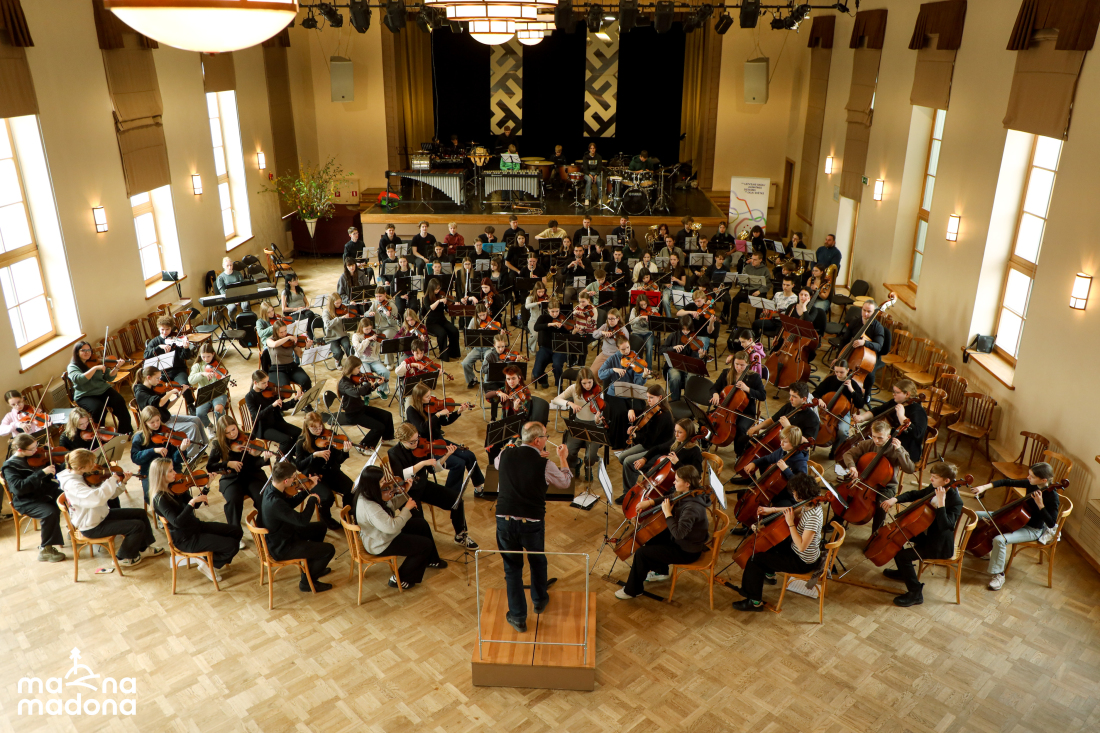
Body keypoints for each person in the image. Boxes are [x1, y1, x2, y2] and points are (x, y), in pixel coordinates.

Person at [494, 421, 573, 632]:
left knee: (512, 570)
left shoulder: (505, 454)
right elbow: (565, 482)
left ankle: (518, 617)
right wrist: (563, 458)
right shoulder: (545, 464)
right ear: (537, 440)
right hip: (531, 524)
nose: (547, 439)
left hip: (504, 522)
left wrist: (516, 449)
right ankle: (539, 600)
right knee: (537, 560)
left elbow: (497, 464)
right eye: (546, 436)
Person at [616, 466, 711, 600]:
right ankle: (661, 571)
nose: (673, 482)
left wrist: (667, 513)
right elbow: (671, 497)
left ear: (687, 484)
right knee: (652, 536)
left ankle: (633, 590)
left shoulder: (692, 508)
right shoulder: (689, 493)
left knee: (642, 554)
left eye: (677, 480)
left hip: (687, 551)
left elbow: (678, 534)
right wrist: (650, 502)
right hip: (684, 541)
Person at [732, 473, 824, 612]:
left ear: (801, 494)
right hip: (796, 550)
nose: (793, 494)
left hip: (802, 561)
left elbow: (802, 546)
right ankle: (769, 574)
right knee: (768, 545)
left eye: (794, 492)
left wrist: (791, 523)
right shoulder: (810, 503)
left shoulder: (813, 517)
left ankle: (754, 602)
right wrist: (771, 510)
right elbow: (793, 510)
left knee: (755, 560)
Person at [59, 448, 162, 567]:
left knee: (140, 513)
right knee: (136, 526)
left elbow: (109, 495)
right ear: (80, 467)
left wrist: (123, 482)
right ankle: (123, 557)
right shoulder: (74, 485)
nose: (94, 466)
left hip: (100, 515)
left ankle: (143, 549)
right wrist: (112, 480)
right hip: (91, 526)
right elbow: (97, 499)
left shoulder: (83, 475)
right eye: (91, 464)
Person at [878, 461, 964, 606]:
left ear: (946, 481)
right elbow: (916, 494)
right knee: (899, 537)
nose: (931, 479)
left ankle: (916, 593)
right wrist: (895, 499)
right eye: (931, 476)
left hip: (938, 545)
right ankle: (903, 573)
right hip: (926, 533)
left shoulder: (955, 501)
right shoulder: (934, 487)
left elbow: (945, 526)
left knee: (903, 556)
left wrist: (941, 503)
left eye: (935, 477)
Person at [970, 462, 1061, 591]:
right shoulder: (1031, 484)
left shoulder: (1052, 497)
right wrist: (983, 487)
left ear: (1044, 480)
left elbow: (1051, 523)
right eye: (1029, 475)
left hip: (1032, 529)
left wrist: (1040, 505)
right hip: (1016, 520)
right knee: (975, 515)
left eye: (1032, 476)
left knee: (999, 540)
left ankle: (999, 575)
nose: (1028, 478)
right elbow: (1006, 482)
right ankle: (980, 547)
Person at [388, 421, 479, 548]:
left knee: (457, 500)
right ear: (402, 440)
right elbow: (401, 476)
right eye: (412, 442)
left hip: (423, 486)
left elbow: (432, 469)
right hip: (407, 493)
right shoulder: (394, 452)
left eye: (417, 439)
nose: (416, 443)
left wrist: (446, 455)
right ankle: (425, 547)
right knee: (420, 522)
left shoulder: (421, 446)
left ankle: (460, 535)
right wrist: (422, 463)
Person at [150, 457, 242, 582]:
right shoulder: (160, 499)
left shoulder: (176, 486)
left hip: (196, 526)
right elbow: (177, 522)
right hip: (186, 538)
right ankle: (209, 564)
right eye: (171, 471)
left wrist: (207, 486)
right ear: (160, 475)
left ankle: (208, 561)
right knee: (232, 545)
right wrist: (191, 503)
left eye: (173, 469)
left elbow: (196, 504)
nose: (175, 473)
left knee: (236, 531)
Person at [353, 465, 445, 589]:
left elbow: (391, 504)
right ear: (373, 484)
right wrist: (406, 509)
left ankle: (432, 560)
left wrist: (405, 492)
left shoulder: (371, 493)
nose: (385, 483)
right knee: (425, 546)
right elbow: (392, 527)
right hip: (380, 543)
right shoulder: (370, 507)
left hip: (384, 534)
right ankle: (399, 578)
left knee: (421, 524)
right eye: (382, 481)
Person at [259, 461, 335, 593]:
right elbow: (302, 521)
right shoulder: (275, 502)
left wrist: (308, 489)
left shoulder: (272, 489)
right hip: (282, 546)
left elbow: (289, 504)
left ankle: (312, 569)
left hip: (286, 532)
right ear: (286, 481)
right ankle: (306, 583)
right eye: (294, 477)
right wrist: (312, 500)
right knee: (329, 549)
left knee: (321, 527)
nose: (296, 480)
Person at [404, 383, 485, 498]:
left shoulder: (431, 406)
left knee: (469, 455)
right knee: (458, 463)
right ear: (418, 398)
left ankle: (479, 488)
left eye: (430, 395)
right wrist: (437, 415)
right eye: (427, 396)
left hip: (439, 441)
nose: (430, 398)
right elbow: (423, 428)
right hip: (426, 447)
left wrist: (458, 412)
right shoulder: (411, 411)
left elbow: (444, 422)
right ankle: (450, 496)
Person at [838, 419, 918, 535]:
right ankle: (837, 520)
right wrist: (852, 467)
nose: (876, 440)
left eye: (880, 438)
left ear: (888, 436)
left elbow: (910, 469)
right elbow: (848, 454)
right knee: (844, 493)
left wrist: (900, 451)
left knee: (881, 505)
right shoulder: (868, 444)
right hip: (864, 480)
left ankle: (875, 535)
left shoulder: (896, 449)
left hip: (886, 486)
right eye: (874, 436)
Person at [3, 433, 66, 561]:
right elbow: (19, 488)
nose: (36, 450)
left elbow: (52, 474)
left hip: (43, 492)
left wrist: (64, 464)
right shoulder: (10, 466)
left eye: (36, 446)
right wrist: (41, 473)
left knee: (70, 497)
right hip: (26, 500)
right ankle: (45, 550)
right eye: (32, 449)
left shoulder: (35, 457)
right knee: (50, 512)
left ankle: (79, 529)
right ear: (20, 450)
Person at [207, 415, 272, 532]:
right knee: (233, 501)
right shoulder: (218, 444)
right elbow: (210, 466)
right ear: (222, 433)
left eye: (233, 429)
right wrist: (228, 463)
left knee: (262, 496)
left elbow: (255, 463)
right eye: (227, 433)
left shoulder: (248, 437)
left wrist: (265, 459)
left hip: (252, 475)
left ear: (237, 426)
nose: (232, 434)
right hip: (232, 478)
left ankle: (263, 526)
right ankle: (235, 532)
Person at [291, 411, 352, 530]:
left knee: (350, 488)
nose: (319, 430)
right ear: (307, 427)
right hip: (313, 476)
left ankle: (347, 517)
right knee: (328, 496)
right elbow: (299, 466)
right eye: (314, 428)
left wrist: (345, 452)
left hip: (331, 472)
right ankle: (326, 519)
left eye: (320, 426)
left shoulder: (330, 435)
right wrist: (314, 455)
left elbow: (338, 460)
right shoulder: (301, 442)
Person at [132, 367, 207, 459]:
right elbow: (159, 402)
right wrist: (171, 392)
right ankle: (190, 455)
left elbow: (166, 406)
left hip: (167, 417)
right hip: (161, 423)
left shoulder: (153, 388)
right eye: (157, 378)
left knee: (196, 419)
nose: (159, 381)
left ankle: (203, 445)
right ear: (148, 378)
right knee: (192, 427)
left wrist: (178, 395)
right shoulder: (141, 393)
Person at [615, 384, 673, 501]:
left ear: (660, 397)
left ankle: (629, 494)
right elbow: (642, 412)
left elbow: (650, 440)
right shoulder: (652, 408)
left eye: (651, 397)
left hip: (656, 450)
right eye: (647, 397)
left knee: (628, 462)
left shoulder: (664, 417)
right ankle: (638, 474)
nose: (648, 400)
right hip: (647, 444)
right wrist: (631, 410)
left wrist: (636, 435)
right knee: (621, 457)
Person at [854, 379, 928, 465]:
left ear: (907, 394)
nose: (893, 394)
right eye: (894, 391)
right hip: (888, 440)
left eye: (897, 392)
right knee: (864, 448)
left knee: (869, 453)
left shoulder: (918, 411)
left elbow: (917, 434)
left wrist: (901, 416)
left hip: (905, 449)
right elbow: (878, 410)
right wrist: (862, 418)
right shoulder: (895, 402)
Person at [622, 418, 703, 497]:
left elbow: (696, 476)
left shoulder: (695, 451)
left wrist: (677, 463)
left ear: (688, 433)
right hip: (669, 480)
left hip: (678, 485)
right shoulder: (677, 442)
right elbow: (657, 448)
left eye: (680, 432)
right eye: (675, 431)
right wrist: (644, 459)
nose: (676, 435)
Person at [708, 352, 768, 455]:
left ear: (748, 364)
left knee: (741, 428)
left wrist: (747, 389)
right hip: (725, 409)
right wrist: (715, 394)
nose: (739, 367)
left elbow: (762, 395)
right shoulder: (726, 373)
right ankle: (706, 443)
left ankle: (739, 454)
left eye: (742, 365)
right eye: (736, 364)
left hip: (746, 412)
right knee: (709, 419)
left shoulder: (754, 377)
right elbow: (714, 388)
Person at [550, 367, 603, 476]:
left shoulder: (598, 390)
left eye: (590, 382)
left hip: (594, 426)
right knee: (569, 452)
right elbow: (555, 400)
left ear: (593, 380)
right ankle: (576, 463)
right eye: (584, 383)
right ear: (579, 382)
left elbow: (600, 414)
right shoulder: (574, 388)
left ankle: (588, 467)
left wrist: (597, 420)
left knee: (590, 457)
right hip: (578, 424)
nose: (587, 386)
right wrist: (570, 403)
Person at [130, 405, 188, 504]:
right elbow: (135, 457)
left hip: (171, 469)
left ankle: (184, 510)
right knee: (154, 497)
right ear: (145, 423)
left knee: (183, 491)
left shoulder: (168, 432)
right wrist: (153, 450)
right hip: (150, 472)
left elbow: (177, 460)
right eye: (152, 422)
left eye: (157, 420)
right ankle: (165, 511)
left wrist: (181, 450)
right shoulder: (139, 437)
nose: (156, 424)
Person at [336, 356, 395, 449]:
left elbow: (363, 393)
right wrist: (368, 384)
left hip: (361, 408)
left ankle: (387, 439)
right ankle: (363, 446)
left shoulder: (352, 378)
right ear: (351, 368)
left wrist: (376, 384)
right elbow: (356, 393)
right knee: (379, 427)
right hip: (353, 414)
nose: (360, 371)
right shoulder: (344, 383)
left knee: (387, 415)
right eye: (358, 368)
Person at [744, 381, 820, 453]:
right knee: (744, 441)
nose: (790, 399)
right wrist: (756, 428)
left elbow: (806, 443)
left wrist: (788, 428)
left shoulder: (812, 419)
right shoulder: (789, 406)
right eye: (790, 395)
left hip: (792, 451)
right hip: (778, 443)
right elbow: (772, 420)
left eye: (794, 396)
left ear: (804, 399)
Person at [811, 359, 865, 454]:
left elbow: (860, 404)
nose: (838, 374)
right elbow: (815, 393)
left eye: (841, 372)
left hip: (843, 413)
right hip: (826, 410)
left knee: (843, 431)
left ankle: (835, 450)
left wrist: (852, 390)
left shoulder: (853, 384)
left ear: (847, 370)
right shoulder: (830, 380)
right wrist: (819, 399)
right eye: (836, 371)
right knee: (811, 421)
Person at [244, 370, 302, 455]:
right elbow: (257, 416)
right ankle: (279, 459)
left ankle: (290, 455)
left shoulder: (269, 391)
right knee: (286, 440)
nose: (267, 385)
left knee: (299, 433)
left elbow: (282, 406)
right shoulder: (249, 397)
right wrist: (272, 406)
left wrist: (295, 399)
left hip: (276, 422)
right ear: (255, 382)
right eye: (264, 383)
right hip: (264, 428)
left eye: (267, 382)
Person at [143, 316, 196, 411]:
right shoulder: (155, 342)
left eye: (167, 329)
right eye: (162, 329)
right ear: (158, 329)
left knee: (184, 384)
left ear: (171, 328)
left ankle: (190, 404)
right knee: (156, 387)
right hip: (161, 373)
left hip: (178, 370)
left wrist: (186, 348)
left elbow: (185, 357)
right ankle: (161, 408)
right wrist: (159, 347)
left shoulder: (176, 340)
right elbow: (146, 355)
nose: (164, 332)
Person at [833, 298, 885, 392]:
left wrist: (865, 343)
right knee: (841, 367)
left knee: (870, 375)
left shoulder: (878, 327)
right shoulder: (855, 322)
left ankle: (867, 394)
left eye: (869, 311)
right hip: (853, 352)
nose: (865, 314)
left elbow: (879, 346)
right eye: (864, 310)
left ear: (874, 312)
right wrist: (838, 357)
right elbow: (844, 340)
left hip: (870, 357)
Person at [662, 315, 708, 404]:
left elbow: (696, 360)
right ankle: (675, 401)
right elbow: (662, 349)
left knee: (691, 377)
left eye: (688, 330)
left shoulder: (694, 339)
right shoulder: (673, 336)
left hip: (689, 368)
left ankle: (689, 402)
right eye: (683, 329)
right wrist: (673, 348)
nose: (686, 332)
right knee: (675, 377)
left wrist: (700, 356)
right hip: (674, 366)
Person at [188, 342, 230, 430]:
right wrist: (202, 373)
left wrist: (223, 379)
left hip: (218, 392)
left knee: (218, 409)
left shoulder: (218, 364)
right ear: (200, 355)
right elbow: (191, 380)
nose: (206, 359)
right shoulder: (197, 366)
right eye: (203, 357)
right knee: (199, 414)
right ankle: (210, 427)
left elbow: (223, 381)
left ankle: (221, 428)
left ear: (213, 354)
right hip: (204, 393)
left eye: (208, 356)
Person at [531, 298, 570, 390]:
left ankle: (559, 384)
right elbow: (536, 327)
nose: (555, 314)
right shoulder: (543, 318)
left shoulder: (563, 319)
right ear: (548, 310)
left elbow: (568, 335)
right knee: (536, 372)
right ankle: (543, 379)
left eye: (557, 311)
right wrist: (550, 324)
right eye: (552, 311)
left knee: (557, 365)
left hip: (559, 348)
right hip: (545, 348)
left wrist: (574, 330)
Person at [264, 319, 313, 392]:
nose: (284, 333)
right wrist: (288, 337)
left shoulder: (291, 341)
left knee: (306, 380)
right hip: (277, 369)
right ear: (275, 332)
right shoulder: (270, 340)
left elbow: (300, 354)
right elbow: (274, 344)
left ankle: (306, 399)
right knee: (284, 389)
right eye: (281, 332)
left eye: (285, 331)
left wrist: (307, 348)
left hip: (292, 367)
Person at [421, 278, 461, 362]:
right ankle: (443, 354)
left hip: (442, 320)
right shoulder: (427, 298)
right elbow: (430, 308)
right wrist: (439, 301)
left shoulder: (441, 295)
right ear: (431, 289)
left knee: (454, 331)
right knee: (442, 333)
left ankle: (452, 352)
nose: (438, 291)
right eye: (436, 289)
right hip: (432, 323)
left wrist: (454, 305)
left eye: (439, 288)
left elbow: (447, 309)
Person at [590, 308, 628, 375]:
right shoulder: (605, 326)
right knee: (592, 373)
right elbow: (594, 335)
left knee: (608, 374)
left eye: (613, 319)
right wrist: (602, 332)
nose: (610, 321)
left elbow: (625, 345)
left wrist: (617, 337)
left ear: (618, 319)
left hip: (615, 356)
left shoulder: (622, 330)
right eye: (609, 319)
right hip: (604, 354)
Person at [321, 293, 354, 367]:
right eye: (337, 303)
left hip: (342, 334)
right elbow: (328, 325)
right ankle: (338, 359)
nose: (339, 305)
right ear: (332, 303)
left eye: (340, 302)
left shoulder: (342, 308)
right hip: (331, 337)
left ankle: (352, 362)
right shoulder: (326, 312)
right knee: (337, 352)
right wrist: (340, 318)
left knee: (348, 346)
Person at [580, 142, 603, 206]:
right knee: (589, 180)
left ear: (595, 149)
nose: (592, 150)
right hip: (588, 173)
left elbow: (599, 168)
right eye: (591, 148)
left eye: (594, 148)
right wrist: (590, 175)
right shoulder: (585, 157)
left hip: (596, 173)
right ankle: (587, 199)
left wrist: (596, 175)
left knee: (599, 180)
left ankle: (600, 198)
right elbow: (585, 169)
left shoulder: (599, 157)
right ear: (589, 149)